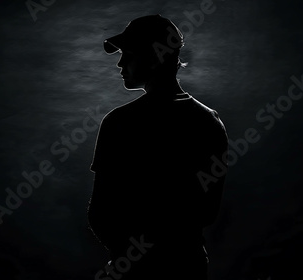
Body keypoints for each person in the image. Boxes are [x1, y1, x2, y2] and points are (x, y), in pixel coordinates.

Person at [87, 14, 228, 279]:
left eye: (127, 54)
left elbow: (101, 214)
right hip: (189, 266)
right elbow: (207, 210)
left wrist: (128, 258)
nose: (119, 63)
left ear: (154, 57)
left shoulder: (120, 122)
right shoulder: (210, 121)